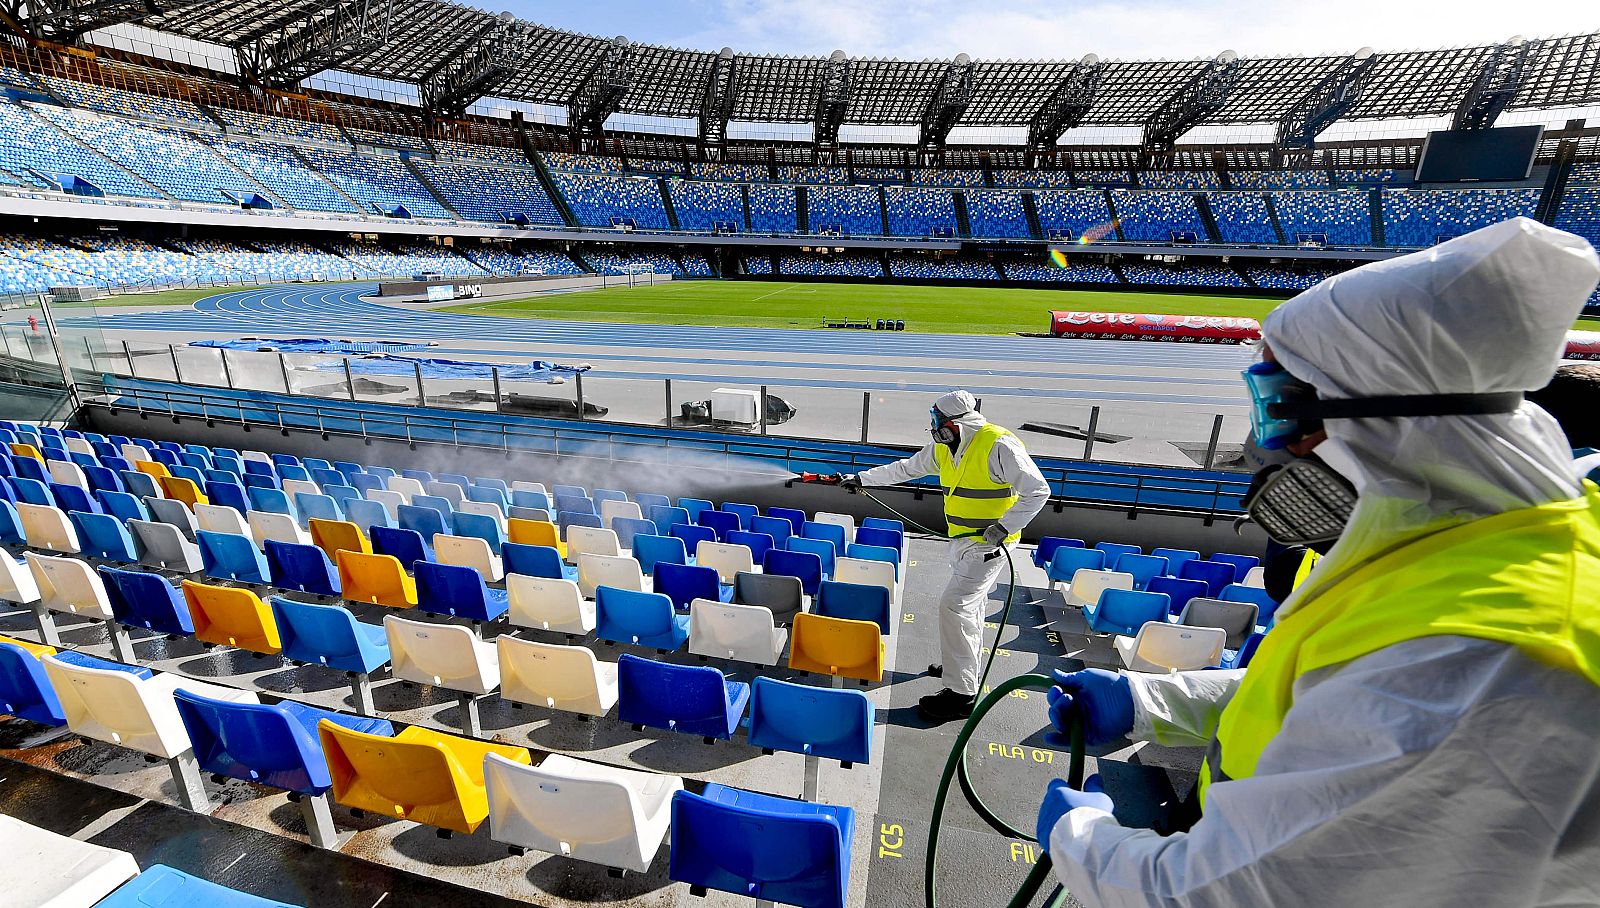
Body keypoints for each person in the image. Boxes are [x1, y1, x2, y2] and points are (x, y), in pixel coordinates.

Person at [1035, 218, 1600, 906]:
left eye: (1277, 409)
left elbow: (1224, 897)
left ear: (1382, 418)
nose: (1263, 449)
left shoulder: (1483, 663)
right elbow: (1335, 701)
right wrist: (1150, 700)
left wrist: (1082, 837)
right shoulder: (1464, 550)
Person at [835, 389, 1048, 722]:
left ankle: (962, 694)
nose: (935, 428)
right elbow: (905, 469)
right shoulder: (944, 450)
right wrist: (863, 478)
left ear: (958, 423)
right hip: (962, 542)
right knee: (970, 607)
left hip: (991, 547)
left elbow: (1038, 490)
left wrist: (1004, 527)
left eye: (939, 422)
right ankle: (960, 666)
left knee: (955, 605)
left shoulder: (999, 446)